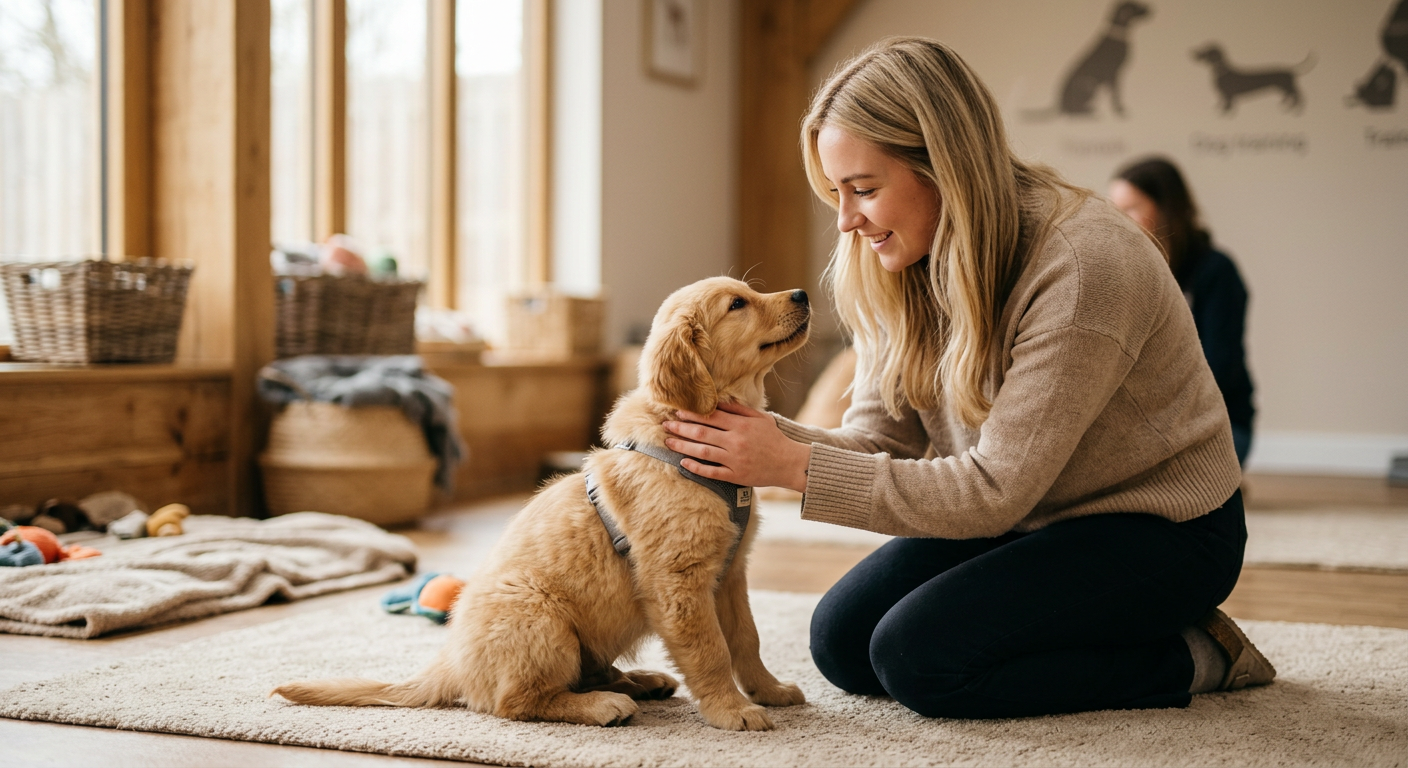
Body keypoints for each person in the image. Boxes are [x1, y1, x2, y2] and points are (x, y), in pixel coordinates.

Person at [660, 36, 1275, 719]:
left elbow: (994, 491)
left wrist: (793, 467)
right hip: (1029, 512)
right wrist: (768, 441)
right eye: (836, 192)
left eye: (863, 190)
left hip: (1161, 526)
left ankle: (1198, 654)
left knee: (921, 661)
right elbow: (881, 440)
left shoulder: (1083, 266)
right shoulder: (898, 263)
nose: (846, 220)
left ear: (942, 167)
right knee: (842, 643)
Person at [1109, 158, 1256, 465]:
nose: (1119, 221)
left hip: (1218, 425)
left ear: (1166, 209)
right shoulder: (1123, 271)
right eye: (1115, 211)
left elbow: (1219, 366)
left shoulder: (1216, 271)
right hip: (1139, 422)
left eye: (1131, 209)